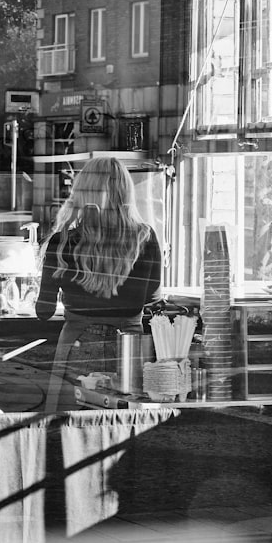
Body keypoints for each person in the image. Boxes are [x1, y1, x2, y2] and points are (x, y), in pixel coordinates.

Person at [35, 157, 162, 385]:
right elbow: (152, 299)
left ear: (81, 192)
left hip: (78, 345)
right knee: (127, 415)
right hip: (129, 347)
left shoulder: (61, 242)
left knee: (71, 415)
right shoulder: (145, 236)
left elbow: (44, 311)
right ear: (126, 193)